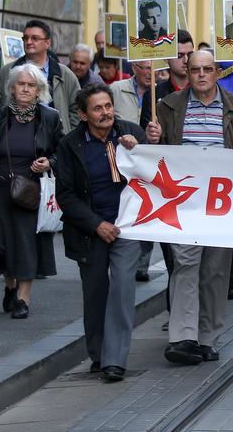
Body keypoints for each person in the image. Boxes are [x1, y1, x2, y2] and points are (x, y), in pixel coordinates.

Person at [145, 50, 233, 365]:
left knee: (214, 271)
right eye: (195, 69)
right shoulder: (167, 107)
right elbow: (154, 157)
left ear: (217, 72)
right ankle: (183, 337)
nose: (200, 74)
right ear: (188, 70)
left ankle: (207, 338)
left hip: (221, 202)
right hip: (183, 199)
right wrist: (153, 140)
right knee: (185, 265)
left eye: (207, 69)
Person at [54, 85, 145, 382]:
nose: (106, 112)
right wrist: (96, 224)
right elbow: (66, 195)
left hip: (127, 225)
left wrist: (140, 148)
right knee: (95, 293)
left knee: (121, 287)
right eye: (97, 108)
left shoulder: (130, 133)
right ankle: (99, 354)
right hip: (90, 231)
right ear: (83, 114)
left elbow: (155, 171)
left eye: (108, 106)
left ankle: (115, 360)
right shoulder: (70, 145)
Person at [0, 63, 64, 319]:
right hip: (1, 187)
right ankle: (10, 285)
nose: (25, 89)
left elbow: (62, 151)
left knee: (25, 243)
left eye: (30, 85)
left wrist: (50, 162)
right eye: (21, 84)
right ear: (12, 88)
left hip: (32, 189)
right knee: (2, 244)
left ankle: (23, 299)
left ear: (39, 90)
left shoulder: (49, 117)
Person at [136, 30, 194, 282]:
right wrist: (152, 136)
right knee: (173, 254)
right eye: (179, 55)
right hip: (168, 182)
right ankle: (175, 315)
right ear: (168, 59)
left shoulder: (204, 89)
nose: (185, 59)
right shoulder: (155, 93)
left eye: (189, 54)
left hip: (198, 179)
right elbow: (143, 138)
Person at [0, 19, 79, 131]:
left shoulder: (65, 74)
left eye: (35, 38)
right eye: (25, 38)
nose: (29, 42)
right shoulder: (7, 72)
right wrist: (0, 133)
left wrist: (69, 137)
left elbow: (77, 109)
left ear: (47, 43)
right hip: (14, 139)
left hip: (55, 142)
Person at [109, 60, 155, 128]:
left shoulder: (160, 92)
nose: (151, 73)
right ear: (134, 68)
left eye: (154, 68)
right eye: (147, 68)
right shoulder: (116, 89)